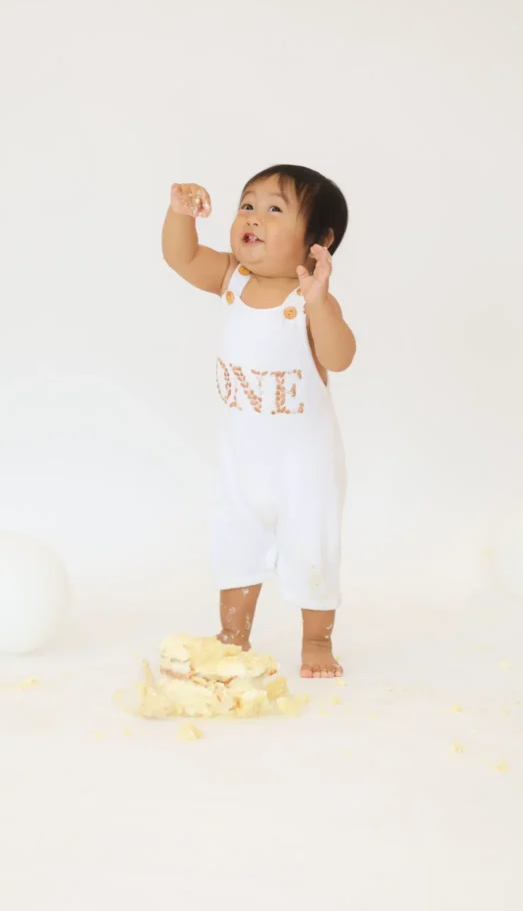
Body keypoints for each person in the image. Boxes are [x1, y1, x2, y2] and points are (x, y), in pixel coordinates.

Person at [162, 165, 355, 678]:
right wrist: (181, 213)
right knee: (234, 543)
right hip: (243, 463)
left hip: (304, 468)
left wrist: (319, 304)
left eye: (275, 210)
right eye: (248, 205)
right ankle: (233, 635)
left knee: (312, 549)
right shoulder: (232, 279)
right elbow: (180, 257)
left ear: (320, 241)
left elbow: (338, 358)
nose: (254, 217)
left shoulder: (308, 301)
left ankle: (316, 641)